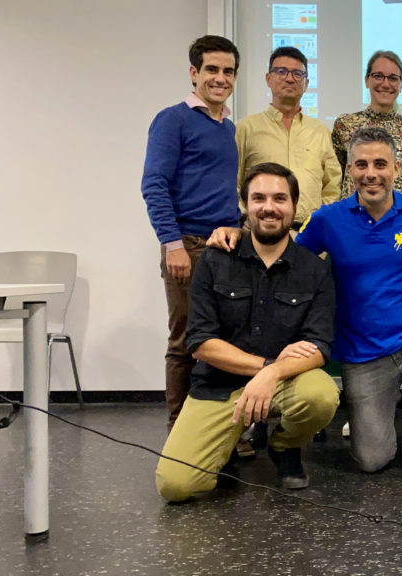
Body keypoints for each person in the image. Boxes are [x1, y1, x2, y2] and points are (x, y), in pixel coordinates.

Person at [209, 127, 402, 475]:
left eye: (380, 164)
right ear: (350, 171)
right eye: (361, 164)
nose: (371, 173)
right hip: (364, 354)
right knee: (373, 460)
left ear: (396, 169)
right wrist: (239, 233)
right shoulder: (328, 219)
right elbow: (281, 252)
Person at [155, 163, 339, 502]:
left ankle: (283, 445)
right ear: (245, 205)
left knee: (321, 396)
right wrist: (267, 368)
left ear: (294, 206)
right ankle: (223, 444)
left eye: (280, 198)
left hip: (286, 384)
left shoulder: (313, 269)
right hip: (219, 387)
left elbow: (319, 346)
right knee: (176, 485)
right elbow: (201, 342)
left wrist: (274, 376)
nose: (269, 207)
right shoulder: (214, 260)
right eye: (259, 198)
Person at [141, 35, 242, 430]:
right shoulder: (173, 119)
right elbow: (154, 185)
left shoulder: (227, 127)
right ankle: (180, 432)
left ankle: (222, 430)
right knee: (186, 342)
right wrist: (173, 245)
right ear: (194, 73)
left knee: (224, 342)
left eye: (228, 71)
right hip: (188, 245)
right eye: (212, 70)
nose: (220, 78)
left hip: (224, 248)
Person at [235, 46, 342, 230]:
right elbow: (233, 183)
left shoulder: (320, 131)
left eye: (297, 74)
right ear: (268, 79)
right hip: (259, 230)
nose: (289, 78)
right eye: (281, 72)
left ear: (306, 83)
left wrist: (320, 219)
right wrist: (247, 217)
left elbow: (332, 185)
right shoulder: (245, 129)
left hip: (309, 233)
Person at [332, 50, 402, 197]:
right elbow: (334, 180)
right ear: (367, 80)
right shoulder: (345, 125)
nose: (385, 84)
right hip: (353, 215)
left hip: (395, 217)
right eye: (378, 76)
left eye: (393, 78)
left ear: (401, 85)